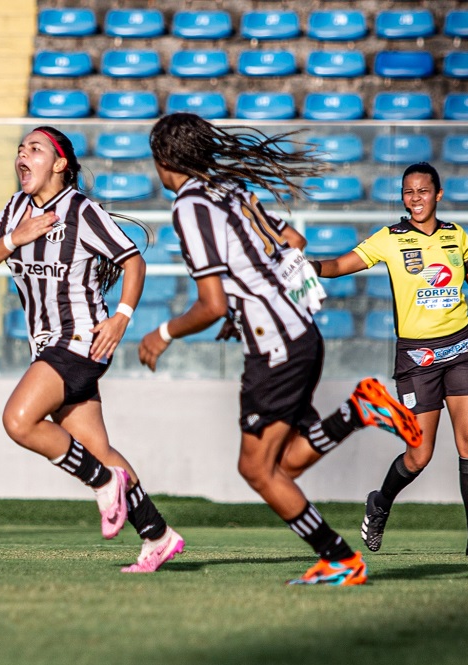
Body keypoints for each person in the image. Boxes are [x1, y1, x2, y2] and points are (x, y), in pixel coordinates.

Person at [139, 112, 422, 587]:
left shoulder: (189, 204)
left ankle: (339, 558)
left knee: (256, 468)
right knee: (282, 465)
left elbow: (209, 303)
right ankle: (357, 412)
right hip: (300, 334)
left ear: (167, 159)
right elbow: (291, 240)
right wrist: (249, 306)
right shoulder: (229, 192)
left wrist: (162, 333)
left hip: (275, 348)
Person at [0, 126, 184, 573]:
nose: (22, 156)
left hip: (81, 340)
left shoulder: (81, 211)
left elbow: (133, 260)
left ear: (60, 163)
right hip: (47, 347)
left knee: (18, 420)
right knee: (96, 446)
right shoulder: (13, 211)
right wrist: (17, 237)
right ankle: (158, 534)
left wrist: (122, 316)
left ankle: (103, 482)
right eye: (19, 149)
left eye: (34, 149)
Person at [310, 161, 468, 557]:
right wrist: (309, 268)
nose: (415, 199)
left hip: (461, 349)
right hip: (417, 357)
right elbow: (341, 265)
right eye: (408, 192)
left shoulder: (454, 235)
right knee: (420, 454)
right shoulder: (390, 239)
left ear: (438, 194)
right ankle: (380, 502)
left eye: (423, 191)